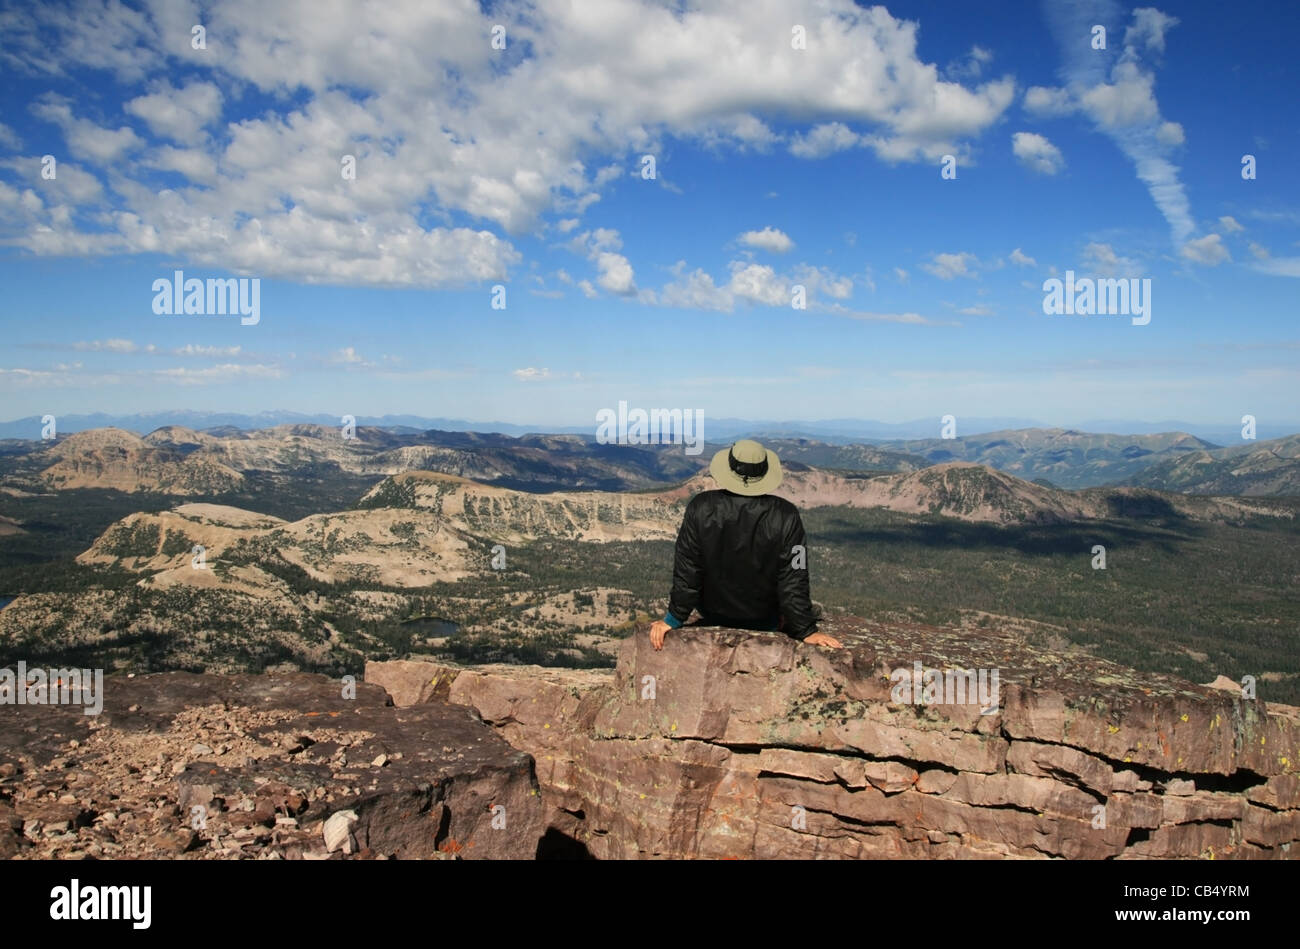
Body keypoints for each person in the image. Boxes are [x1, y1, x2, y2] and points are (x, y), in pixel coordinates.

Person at [649, 438, 843, 651]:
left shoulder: (700, 507)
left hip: (712, 612)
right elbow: (795, 575)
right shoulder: (787, 515)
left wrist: (674, 618)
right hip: (765, 619)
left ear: (728, 469)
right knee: (817, 610)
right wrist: (806, 630)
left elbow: (687, 569)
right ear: (765, 473)